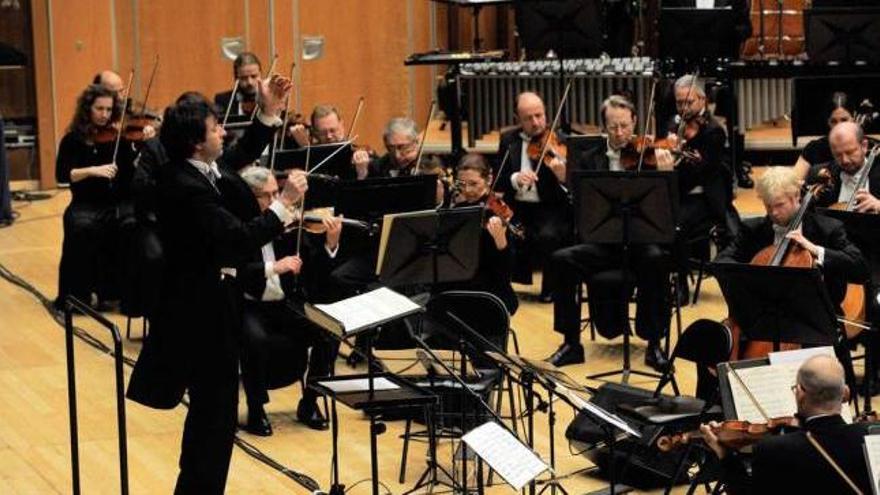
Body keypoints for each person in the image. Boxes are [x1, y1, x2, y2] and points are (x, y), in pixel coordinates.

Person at [126, 93, 307, 494]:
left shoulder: (201, 169)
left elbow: (239, 153)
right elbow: (239, 239)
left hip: (214, 307)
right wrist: (283, 205)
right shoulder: (185, 188)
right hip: (199, 317)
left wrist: (268, 113)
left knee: (216, 419)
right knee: (213, 419)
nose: (224, 131)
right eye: (216, 128)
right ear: (195, 141)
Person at [547, 95, 673, 368]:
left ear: (635, 122)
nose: (619, 133)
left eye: (625, 126)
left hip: (639, 241)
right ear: (603, 126)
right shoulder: (588, 159)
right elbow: (578, 208)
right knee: (561, 260)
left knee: (658, 259)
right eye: (613, 127)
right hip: (602, 243)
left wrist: (667, 175)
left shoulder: (648, 156)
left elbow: (666, 209)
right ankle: (571, 343)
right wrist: (565, 183)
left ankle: (654, 345)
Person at [236, 166, 342, 435]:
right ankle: (256, 408)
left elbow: (314, 271)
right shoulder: (239, 228)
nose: (275, 202)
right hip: (248, 304)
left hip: (283, 304)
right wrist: (275, 267)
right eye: (266, 196)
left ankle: (309, 401)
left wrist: (330, 244)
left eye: (277, 194)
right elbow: (237, 273)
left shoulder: (288, 225)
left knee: (329, 332)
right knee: (255, 339)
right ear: (249, 197)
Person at [700, 354, 873, 494]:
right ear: (846, 393)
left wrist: (725, 456)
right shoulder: (871, 436)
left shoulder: (774, 449)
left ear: (800, 394)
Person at [715, 166, 867, 310]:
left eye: (779, 205)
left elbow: (859, 268)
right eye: (768, 206)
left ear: (796, 196)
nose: (773, 212)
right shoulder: (753, 229)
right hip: (765, 311)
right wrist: (752, 277)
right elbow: (722, 261)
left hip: (816, 316)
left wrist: (814, 249)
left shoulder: (827, 229)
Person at [54, 84, 136, 311]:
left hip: (115, 202)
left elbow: (130, 173)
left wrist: (139, 150)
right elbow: (62, 175)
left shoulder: (119, 138)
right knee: (81, 228)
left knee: (129, 227)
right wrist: (92, 170)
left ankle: (116, 294)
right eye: (99, 109)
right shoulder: (73, 140)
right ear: (87, 109)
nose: (104, 115)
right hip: (85, 204)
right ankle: (77, 296)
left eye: (109, 110)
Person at [495, 91, 573, 302]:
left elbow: (575, 187)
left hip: (550, 209)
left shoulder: (560, 142)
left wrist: (563, 176)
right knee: (496, 227)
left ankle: (551, 288)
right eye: (528, 118)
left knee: (549, 235)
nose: (536, 122)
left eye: (539, 115)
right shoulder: (508, 140)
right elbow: (499, 180)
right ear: (517, 119)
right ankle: (501, 287)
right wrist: (515, 178)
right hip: (518, 207)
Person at [444, 153, 518, 315]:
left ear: (488, 180)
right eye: (462, 184)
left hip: (489, 285)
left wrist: (501, 242)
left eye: (474, 184)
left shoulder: (498, 209)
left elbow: (506, 272)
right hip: (459, 278)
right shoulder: (455, 206)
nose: (467, 190)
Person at [807, 121, 880, 213]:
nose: (845, 160)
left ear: (864, 146)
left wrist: (878, 205)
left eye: (850, 152)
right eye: (838, 155)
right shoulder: (823, 175)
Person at [288, 104, 374, 180]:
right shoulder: (309, 155)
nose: (329, 136)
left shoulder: (357, 153)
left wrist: (362, 173)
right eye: (322, 133)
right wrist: (307, 150)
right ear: (314, 132)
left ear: (342, 125)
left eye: (333, 130)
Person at [794, 92, 860, 179]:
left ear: (854, 117)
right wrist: (813, 175)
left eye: (844, 120)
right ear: (827, 121)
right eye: (833, 121)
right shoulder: (813, 149)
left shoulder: (867, 147)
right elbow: (793, 182)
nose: (839, 127)